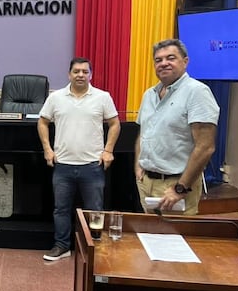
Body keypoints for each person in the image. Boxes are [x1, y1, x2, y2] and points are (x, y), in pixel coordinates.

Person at [38, 58, 121, 261]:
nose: (80, 75)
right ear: (69, 74)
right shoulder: (56, 98)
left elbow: (115, 123)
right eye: (76, 71)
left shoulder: (102, 97)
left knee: (95, 210)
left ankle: (95, 248)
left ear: (90, 75)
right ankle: (62, 246)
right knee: (61, 209)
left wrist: (108, 150)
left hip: (92, 166)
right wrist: (47, 149)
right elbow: (42, 122)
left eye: (85, 71)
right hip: (63, 165)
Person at [135, 39, 220, 215]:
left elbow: (205, 147)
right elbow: (143, 134)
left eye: (171, 58)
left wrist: (180, 188)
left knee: (174, 240)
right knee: (151, 237)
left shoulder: (197, 92)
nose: (164, 63)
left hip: (175, 186)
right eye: (158, 60)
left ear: (185, 61)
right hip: (146, 183)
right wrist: (139, 166)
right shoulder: (149, 94)